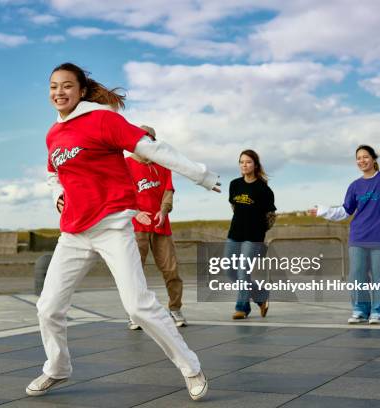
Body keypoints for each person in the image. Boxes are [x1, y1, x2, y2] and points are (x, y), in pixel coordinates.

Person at [26, 62, 220, 401]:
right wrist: (58, 195)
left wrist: (200, 174)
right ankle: (57, 369)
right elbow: (52, 174)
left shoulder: (103, 120)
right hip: (73, 232)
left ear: (82, 90)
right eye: (54, 86)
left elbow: (152, 149)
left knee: (137, 306)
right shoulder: (53, 134)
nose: (59, 92)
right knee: (48, 307)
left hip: (112, 227)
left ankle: (191, 368)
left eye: (67, 86)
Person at [309, 145, 380, 324]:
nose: (361, 161)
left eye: (365, 157)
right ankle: (360, 310)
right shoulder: (355, 186)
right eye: (358, 158)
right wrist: (323, 211)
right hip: (358, 236)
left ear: (373, 159)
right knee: (357, 275)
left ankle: (379, 312)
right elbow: (345, 211)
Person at [126, 125, 186, 330]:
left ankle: (175, 308)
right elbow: (120, 193)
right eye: (141, 140)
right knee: (134, 272)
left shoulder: (162, 164)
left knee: (171, 270)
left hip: (161, 226)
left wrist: (164, 210)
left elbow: (168, 191)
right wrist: (135, 211)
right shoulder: (125, 164)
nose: (145, 144)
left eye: (149, 140)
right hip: (137, 227)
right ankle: (135, 314)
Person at [225, 150, 276, 320]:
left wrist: (259, 233)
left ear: (255, 165)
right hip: (234, 234)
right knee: (230, 271)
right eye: (241, 162)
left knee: (242, 272)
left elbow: (270, 216)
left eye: (248, 162)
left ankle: (242, 307)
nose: (244, 165)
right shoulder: (234, 184)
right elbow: (235, 208)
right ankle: (261, 296)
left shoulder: (263, 189)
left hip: (253, 238)